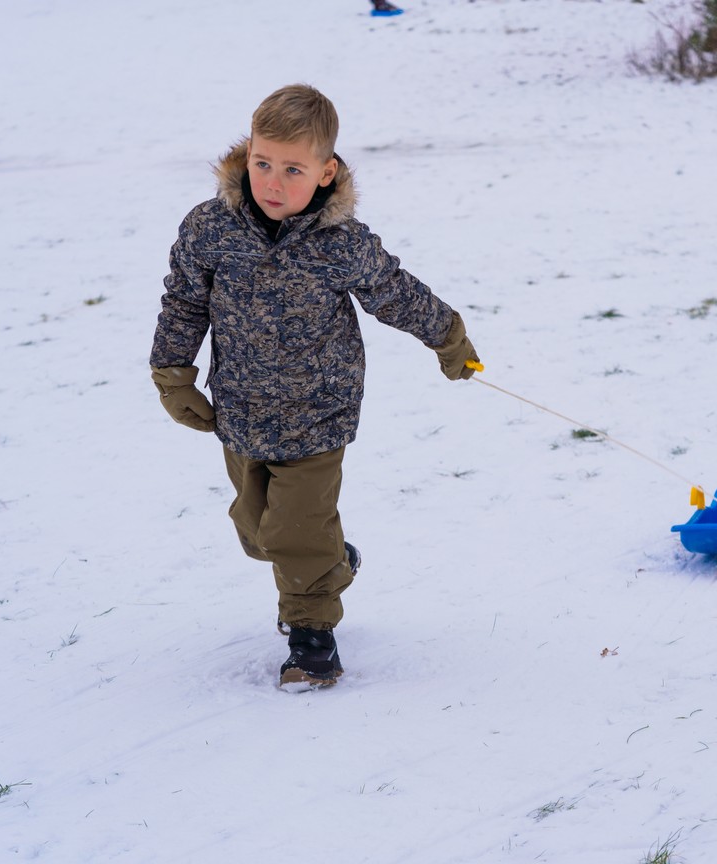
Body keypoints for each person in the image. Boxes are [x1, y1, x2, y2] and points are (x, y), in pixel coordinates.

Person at [149, 84, 479, 690]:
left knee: (295, 532)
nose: (272, 182)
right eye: (262, 163)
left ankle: (311, 639)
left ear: (326, 172)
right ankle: (333, 559)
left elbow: (395, 293)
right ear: (246, 153)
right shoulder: (210, 228)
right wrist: (173, 374)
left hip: (319, 410)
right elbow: (183, 301)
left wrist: (448, 337)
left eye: (292, 169)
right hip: (241, 410)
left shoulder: (341, 243)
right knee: (257, 530)